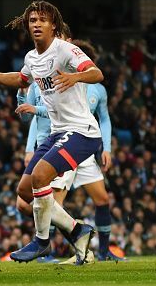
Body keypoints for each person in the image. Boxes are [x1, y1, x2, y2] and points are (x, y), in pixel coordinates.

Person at [0, 0, 101, 265]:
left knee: (40, 176)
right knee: (24, 191)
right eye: (32, 20)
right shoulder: (32, 57)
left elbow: (96, 73)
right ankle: (77, 230)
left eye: (42, 20)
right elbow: (21, 80)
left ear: (53, 25)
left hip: (83, 131)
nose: (36, 24)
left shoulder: (66, 50)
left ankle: (41, 241)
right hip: (57, 133)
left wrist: (76, 77)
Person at [16, 33, 124, 263]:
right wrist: (29, 148)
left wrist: (107, 148)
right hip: (54, 142)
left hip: (81, 139)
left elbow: (103, 118)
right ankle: (65, 243)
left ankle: (98, 249)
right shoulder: (38, 74)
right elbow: (31, 115)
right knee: (47, 198)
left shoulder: (91, 86)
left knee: (101, 199)